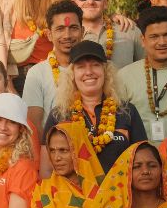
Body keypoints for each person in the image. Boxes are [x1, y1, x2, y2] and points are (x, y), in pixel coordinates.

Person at [45, 40, 147, 174]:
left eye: (95, 65)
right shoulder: (59, 114)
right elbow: (46, 169)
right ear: (72, 74)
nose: (89, 72)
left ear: (106, 72)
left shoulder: (127, 111)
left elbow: (142, 159)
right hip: (72, 193)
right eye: (81, 66)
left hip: (119, 192)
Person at [117, 6, 167, 143]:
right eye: (154, 36)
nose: (162, 42)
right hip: (140, 160)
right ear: (143, 40)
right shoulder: (123, 77)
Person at [22, 0, 84, 136]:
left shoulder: (92, 71)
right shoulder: (37, 73)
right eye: (60, 29)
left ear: (82, 31)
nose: (67, 35)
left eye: (73, 28)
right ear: (49, 34)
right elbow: (34, 124)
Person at [72, 0, 143, 69]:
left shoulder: (129, 30)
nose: (90, 2)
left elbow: (147, 69)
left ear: (105, 2)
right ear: (73, 2)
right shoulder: (68, 36)